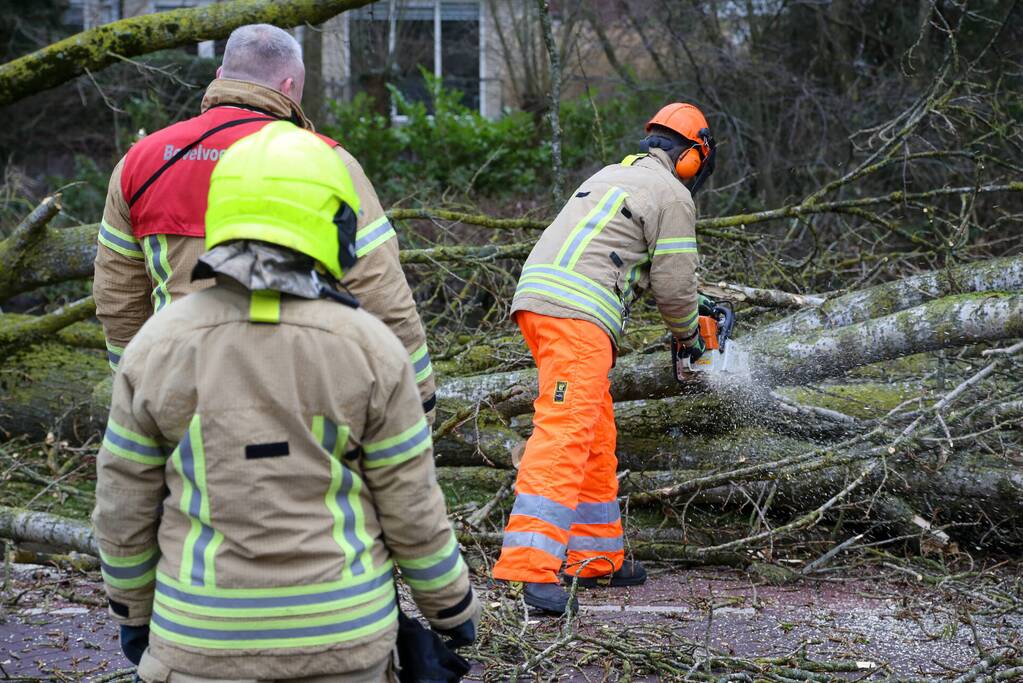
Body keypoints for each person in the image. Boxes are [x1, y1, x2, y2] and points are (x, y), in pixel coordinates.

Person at [91, 121, 479, 681]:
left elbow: (122, 502)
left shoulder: (156, 347)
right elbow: (412, 506)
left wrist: (131, 607)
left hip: (199, 640)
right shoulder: (371, 348)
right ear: (336, 224)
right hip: (345, 638)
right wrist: (451, 604)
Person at [93, 23, 437, 417]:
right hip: (296, 394)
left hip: (178, 388)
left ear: (220, 77)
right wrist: (419, 396)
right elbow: (380, 291)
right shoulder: (326, 163)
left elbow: (117, 295)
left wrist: (134, 386)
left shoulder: (141, 162)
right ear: (290, 87)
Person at [492, 103, 717, 614]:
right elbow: (676, 287)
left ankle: (594, 557)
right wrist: (690, 339)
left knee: (594, 428)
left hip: (542, 302)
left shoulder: (613, 174)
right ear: (691, 158)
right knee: (566, 430)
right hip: (578, 314)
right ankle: (532, 568)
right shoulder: (673, 195)